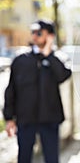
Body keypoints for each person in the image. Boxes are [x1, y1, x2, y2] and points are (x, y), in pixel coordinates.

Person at [3, 20, 72, 163]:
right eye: (33, 32)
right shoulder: (21, 60)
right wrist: (9, 118)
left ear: (50, 36)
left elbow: (63, 76)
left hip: (50, 118)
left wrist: (48, 54)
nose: (35, 36)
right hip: (25, 118)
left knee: (52, 159)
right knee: (24, 158)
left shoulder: (58, 58)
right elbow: (11, 89)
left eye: (39, 33)